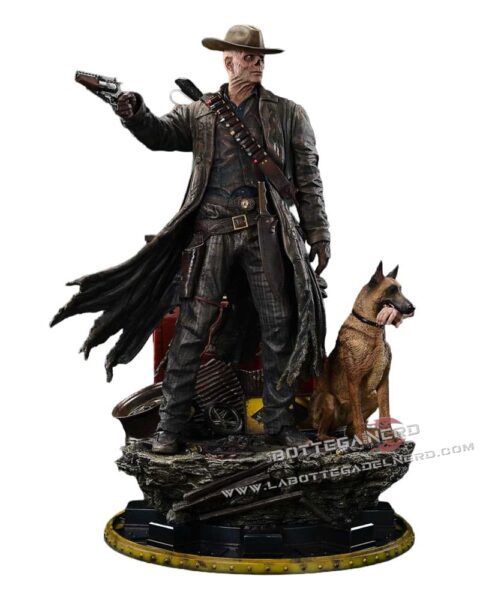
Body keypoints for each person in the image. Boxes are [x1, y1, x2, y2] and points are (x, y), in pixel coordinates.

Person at [52, 25, 330, 454]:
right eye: (248, 56)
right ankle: (170, 425)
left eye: (260, 57)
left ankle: (277, 423)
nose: (256, 63)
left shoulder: (289, 113)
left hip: (266, 234)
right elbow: (159, 134)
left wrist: (319, 232)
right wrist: (133, 111)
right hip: (209, 236)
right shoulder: (200, 112)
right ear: (228, 61)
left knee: (278, 326)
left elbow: (308, 177)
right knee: (191, 329)